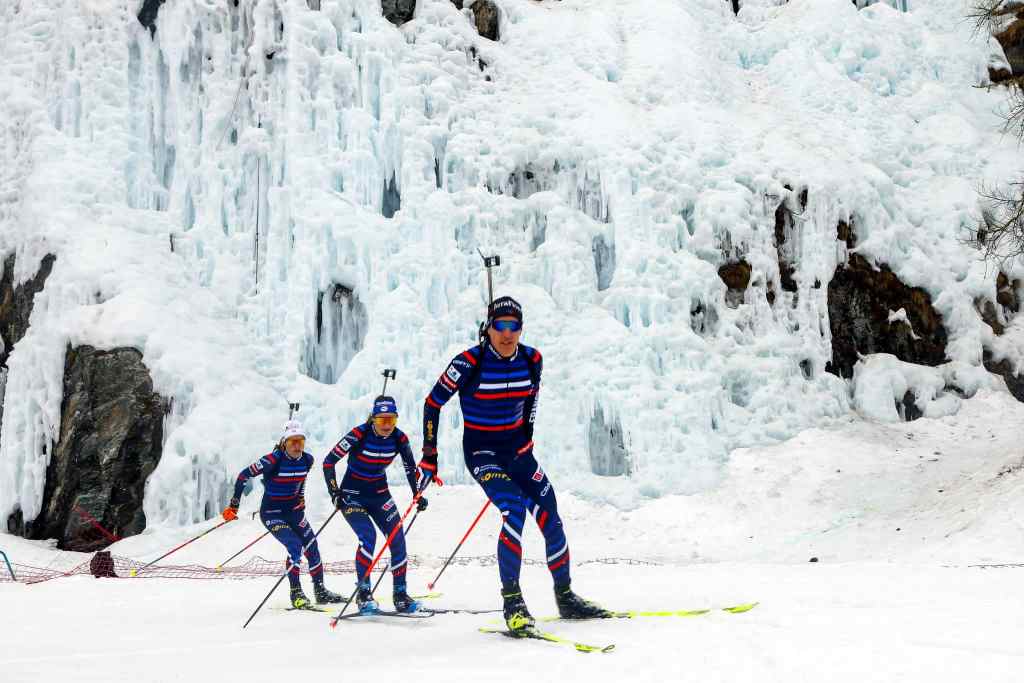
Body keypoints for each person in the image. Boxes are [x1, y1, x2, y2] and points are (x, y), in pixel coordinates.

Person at [419, 295, 609, 632]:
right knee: (513, 510)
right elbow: (432, 403)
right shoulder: (468, 363)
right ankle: (513, 602)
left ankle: (565, 596)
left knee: (550, 514)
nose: (507, 333)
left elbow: (532, 400)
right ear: (488, 328)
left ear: (521, 329)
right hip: (482, 453)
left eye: (514, 326)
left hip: (518, 451)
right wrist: (430, 456)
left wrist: (528, 434)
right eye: (500, 326)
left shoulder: (532, 359)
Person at [223, 420, 342, 608]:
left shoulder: (307, 460)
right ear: (284, 442)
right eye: (292, 441)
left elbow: (302, 480)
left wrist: (301, 497)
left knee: (312, 545)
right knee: (294, 545)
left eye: (300, 442)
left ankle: (320, 590)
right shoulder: (272, 460)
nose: (297, 446)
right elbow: (243, 475)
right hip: (272, 513)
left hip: (293, 511)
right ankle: (296, 593)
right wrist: (234, 506)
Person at [323, 395, 426, 614]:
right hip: (352, 495)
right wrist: (334, 492)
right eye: (381, 420)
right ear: (373, 419)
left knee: (397, 538)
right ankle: (363, 594)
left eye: (391, 420)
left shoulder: (400, 439)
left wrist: (417, 494)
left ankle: (400, 596)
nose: (387, 426)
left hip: (380, 494)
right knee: (368, 537)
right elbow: (328, 461)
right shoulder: (358, 434)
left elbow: (410, 468)